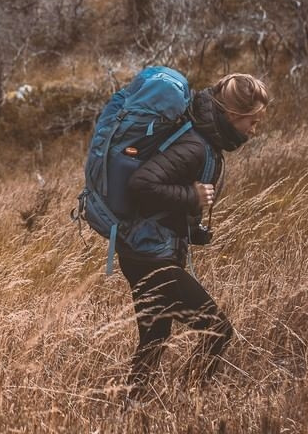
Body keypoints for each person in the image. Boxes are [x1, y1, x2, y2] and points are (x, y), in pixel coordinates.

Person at [120, 72, 270, 395]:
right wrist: (192, 197)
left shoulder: (207, 142)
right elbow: (141, 185)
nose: (254, 131)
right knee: (218, 330)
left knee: (154, 339)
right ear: (233, 116)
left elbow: (161, 200)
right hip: (150, 256)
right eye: (252, 122)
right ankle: (189, 399)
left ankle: (133, 407)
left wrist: (192, 230)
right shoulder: (196, 146)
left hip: (144, 250)